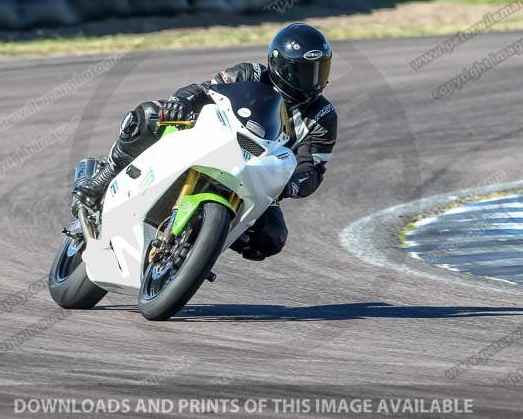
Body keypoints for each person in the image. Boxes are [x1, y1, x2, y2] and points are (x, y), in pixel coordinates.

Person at [73, 23, 337, 260]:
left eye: (318, 70)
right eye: (303, 71)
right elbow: (202, 90)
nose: (312, 80)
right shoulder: (251, 73)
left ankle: (199, 246)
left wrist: (291, 185)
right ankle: (100, 181)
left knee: (272, 237)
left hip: (256, 175)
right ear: (281, 66)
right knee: (148, 116)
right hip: (209, 142)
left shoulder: (322, 116)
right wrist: (179, 104)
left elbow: (312, 167)